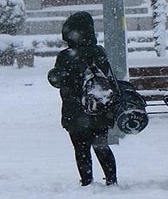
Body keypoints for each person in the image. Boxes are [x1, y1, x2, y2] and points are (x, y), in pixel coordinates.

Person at [47, 11, 118, 186]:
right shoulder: (98, 52)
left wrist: (55, 75)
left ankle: (87, 180)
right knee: (101, 145)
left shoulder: (66, 56)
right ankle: (111, 179)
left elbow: (59, 80)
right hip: (99, 108)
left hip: (75, 109)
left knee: (81, 148)